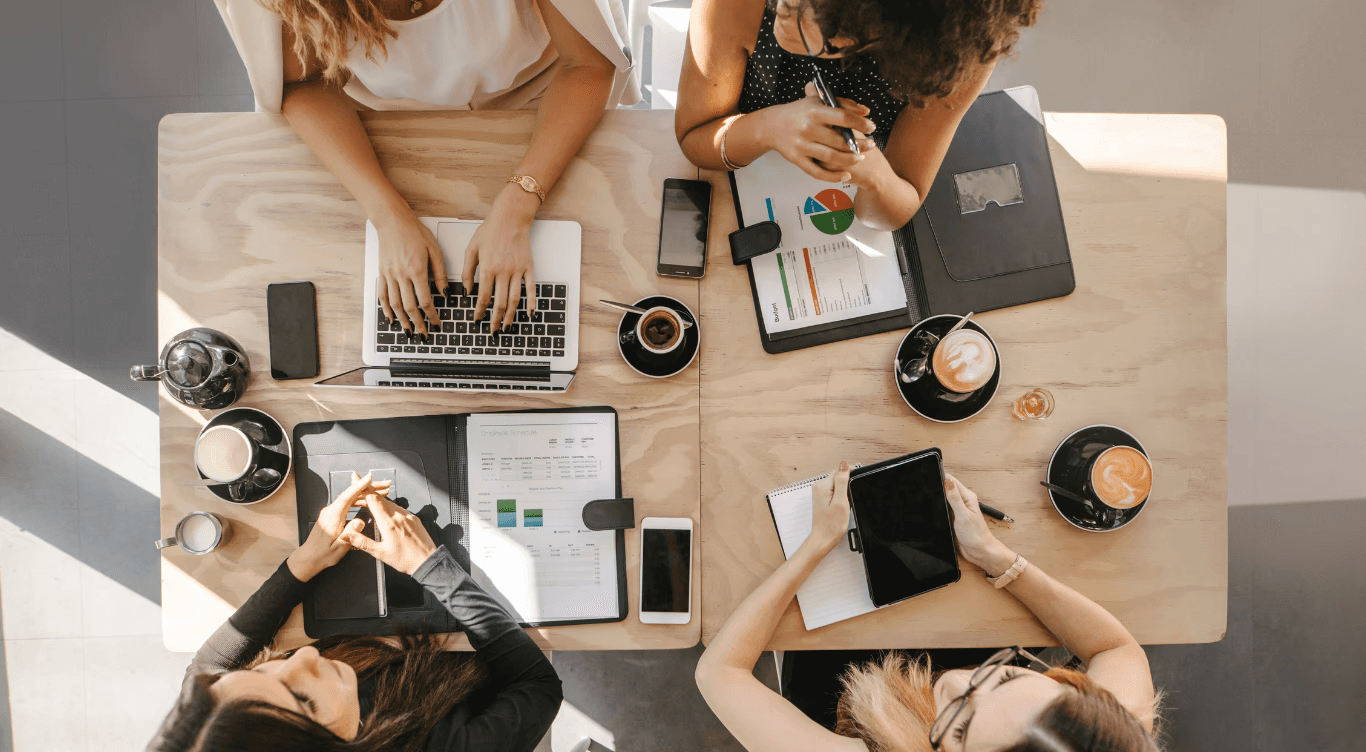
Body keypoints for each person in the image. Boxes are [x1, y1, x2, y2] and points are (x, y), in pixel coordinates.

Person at [211, 0, 638, 338]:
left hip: (541, 101)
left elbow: (586, 64)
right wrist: (387, 215)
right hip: (387, 122)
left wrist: (518, 204)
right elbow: (303, 83)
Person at [695, 462, 1162, 752]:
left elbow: (720, 673)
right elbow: (1116, 649)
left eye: (960, 729)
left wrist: (816, 546)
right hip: (964, 620)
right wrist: (995, 558)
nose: (957, 680)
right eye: (1006, 677)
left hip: (840, 680)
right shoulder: (1104, 738)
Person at [147, 472, 561, 752]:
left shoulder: (210, 729)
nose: (306, 657)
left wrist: (303, 564)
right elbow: (539, 685)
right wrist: (429, 567)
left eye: (258, 672)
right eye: (304, 700)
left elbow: (207, 669)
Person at [675, 0, 1042, 231]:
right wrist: (767, 128)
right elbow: (693, 137)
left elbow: (898, 204)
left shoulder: (955, 52)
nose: (783, 10)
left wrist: (876, 175)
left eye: (815, 11)